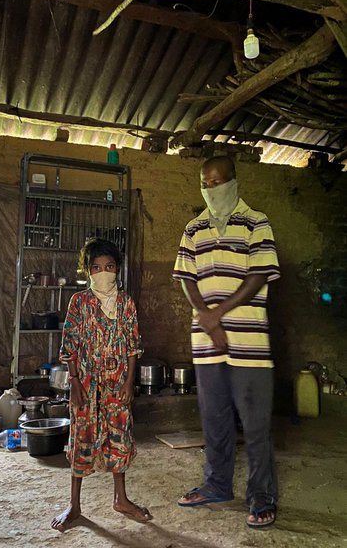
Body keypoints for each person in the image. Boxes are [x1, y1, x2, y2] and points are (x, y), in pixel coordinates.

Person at [173, 156, 280, 529]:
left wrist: (217, 315)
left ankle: (262, 497)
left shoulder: (256, 222)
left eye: (218, 181)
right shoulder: (194, 228)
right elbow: (187, 277)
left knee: (255, 426)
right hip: (207, 344)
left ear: (233, 181)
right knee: (214, 421)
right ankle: (217, 485)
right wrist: (206, 316)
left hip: (249, 344)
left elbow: (259, 274)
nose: (212, 187)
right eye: (206, 182)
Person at [51, 238, 152, 532]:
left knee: (119, 438)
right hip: (85, 383)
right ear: (88, 271)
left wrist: (129, 382)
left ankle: (121, 499)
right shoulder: (79, 303)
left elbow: (133, 346)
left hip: (117, 383)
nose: (103, 272)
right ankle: (74, 505)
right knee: (81, 438)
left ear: (117, 269)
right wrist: (75, 382)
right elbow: (69, 346)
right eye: (96, 267)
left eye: (109, 267)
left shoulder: (126, 303)